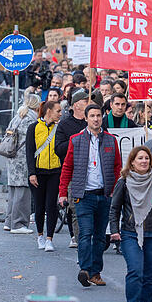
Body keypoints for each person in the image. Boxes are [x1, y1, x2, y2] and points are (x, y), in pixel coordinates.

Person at [59, 104, 122, 287]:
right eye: (92, 116)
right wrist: (63, 193)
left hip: (104, 194)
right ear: (86, 118)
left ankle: (96, 272)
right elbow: (67, 167)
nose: (96, 119)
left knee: (100, 236)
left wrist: (114, 189)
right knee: (85, 233)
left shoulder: (111, 140)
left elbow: (117, 166)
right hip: (83, 195)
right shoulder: (76, 140)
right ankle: (85, 269)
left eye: (98, 115)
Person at [110, 146, 152, 302]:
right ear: (132, 161)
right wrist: (114, 230)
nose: (144, 161)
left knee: (149, 275)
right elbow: (115, 208)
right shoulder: (124, 181)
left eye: (147, 158)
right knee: (135, 270)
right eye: (140, 158)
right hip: (130, 233)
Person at [26, 100, 67, 251]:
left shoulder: (60, 128)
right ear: (49, 111)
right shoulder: (34, 127)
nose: (60, 114)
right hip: (38, 172)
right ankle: (40, 235)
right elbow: (29, 152)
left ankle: (49, 238)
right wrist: (31, 173)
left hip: (55, 171)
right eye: (58, 111)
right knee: (39, 206)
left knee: (51, 206)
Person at [5, 94, 40, 234]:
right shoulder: (31, 119)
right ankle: (18, 223)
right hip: (23, 158)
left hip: (12, 156)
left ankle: (9, 221)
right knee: (22, 191)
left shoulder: (18, 115)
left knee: (13, 191)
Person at [58, 90, 90, 248]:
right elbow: (59, 148)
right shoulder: (65, 124)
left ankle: (85, 237)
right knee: (74, 207)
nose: (88, 103)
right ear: (77, 105)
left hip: (91, 171)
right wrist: (76, 139)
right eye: (85, 101)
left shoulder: (91, 122)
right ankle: (75, 236)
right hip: (73, 171)